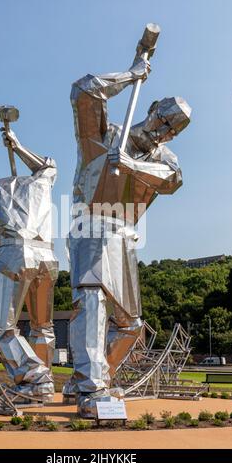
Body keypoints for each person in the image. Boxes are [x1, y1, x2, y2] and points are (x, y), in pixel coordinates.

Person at [66, 55, 191, 417]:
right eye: (164, 119)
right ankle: (92, 390)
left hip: (123, 235)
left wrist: (131, 164)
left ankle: (86, 377)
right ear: (152, 107)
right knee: (91, 300)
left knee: (131, 325)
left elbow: (172, 180)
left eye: (174, 129)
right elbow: (84, 90)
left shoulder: (164, 158)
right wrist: (131, 74)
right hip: (89, 224)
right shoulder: (105, 136)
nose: (165, 130)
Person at [0, 128, 58, 401]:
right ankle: (45, 385)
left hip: (14, 256)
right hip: (47, 258)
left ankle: (34, 376)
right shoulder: (35, 184)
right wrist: (18, 146)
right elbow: (48, 166)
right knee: (42, 327)